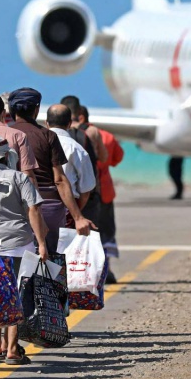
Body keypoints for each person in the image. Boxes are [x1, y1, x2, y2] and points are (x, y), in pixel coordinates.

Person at [0, 134, 49, 365]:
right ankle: (13, 349)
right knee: (17, 294)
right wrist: (42, 242)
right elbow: (33, 210)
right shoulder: (19, 177)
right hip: (18, 242)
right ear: (7, 155)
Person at [10, 88, 95, 253]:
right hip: (48, 207)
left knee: (14, 260)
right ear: (36, 109)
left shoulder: (6, 134)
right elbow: (59, 180)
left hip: (11, 206)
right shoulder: (47, 136)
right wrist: (77, 217)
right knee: (52, 261)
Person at [83, 106, 124, 284]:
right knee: (105, 233)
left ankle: (85, 271)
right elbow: (116, 159)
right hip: (104, 189)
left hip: (82, 192)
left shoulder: (70, 136)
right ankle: (105, 269)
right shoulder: (106, 136)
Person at [45, 105, 97, 210]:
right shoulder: (77, 149)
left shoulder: (36, 144)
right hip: (67, 209)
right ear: (69, 124)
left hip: (37, 208)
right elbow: (86, 190)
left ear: (46, 123)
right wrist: (76, 214)